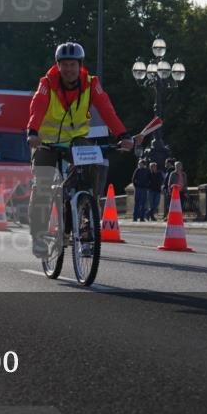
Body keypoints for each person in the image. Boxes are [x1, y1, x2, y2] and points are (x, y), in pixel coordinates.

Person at [25, 42, 137, 257]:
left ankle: (86, 223)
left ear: (80, 65)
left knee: (90, 170)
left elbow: (106, 109)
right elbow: (37, 106)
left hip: (76, 139)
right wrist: (32, 132)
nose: (69, 69)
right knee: (42, 184)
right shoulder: (47, 83)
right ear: (58, 66)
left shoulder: (90, 83)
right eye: (64, 64)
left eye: (73, 64)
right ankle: (38, 235)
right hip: (46, 141)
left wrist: (122, 135)